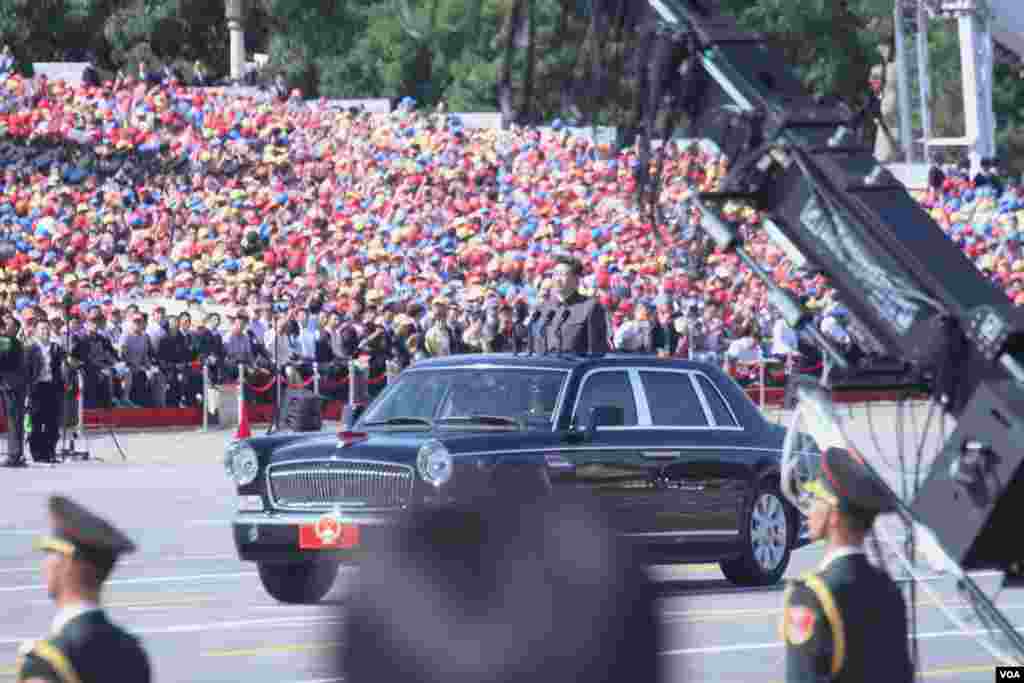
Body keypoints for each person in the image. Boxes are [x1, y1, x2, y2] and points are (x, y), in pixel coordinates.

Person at [781, 446, 913, 683]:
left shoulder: (812, 597)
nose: (809, 508)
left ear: (833, 516)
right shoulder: (888, 589)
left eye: (815, 499)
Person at [16, 496, 151, 683]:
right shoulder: (132, 652)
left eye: (50, 553)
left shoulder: (48, 661)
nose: (45, 564)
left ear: (67, 563)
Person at [539, 254, 610, 354]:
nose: (557, 279)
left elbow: (596, 351)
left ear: (576, 279)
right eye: (555, 274)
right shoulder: (544, 308)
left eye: (562, 275)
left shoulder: (590, 307)